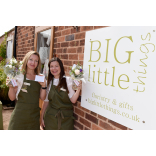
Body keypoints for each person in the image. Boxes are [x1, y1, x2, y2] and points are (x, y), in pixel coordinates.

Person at [7, 51, 46, 130]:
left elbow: (42, 98)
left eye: (36, 61)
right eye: (31, 59)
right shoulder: (19, 76)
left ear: (38, 63)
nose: (33, 63)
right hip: (19, 115)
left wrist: (44, 86)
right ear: (26, 60)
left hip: (34, 116)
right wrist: (11, 87)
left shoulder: (40, 77)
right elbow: (12, 98)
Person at [40, 57, 82, 130]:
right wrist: (41, 118)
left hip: (65, 119)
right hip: (50, 118)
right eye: (51, 66)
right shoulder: (48, 82)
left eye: (56, 66)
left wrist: (78, 89)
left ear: (61, 67)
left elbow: (73, 100)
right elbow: (46, 101)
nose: (54, 69)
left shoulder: (68, 80)